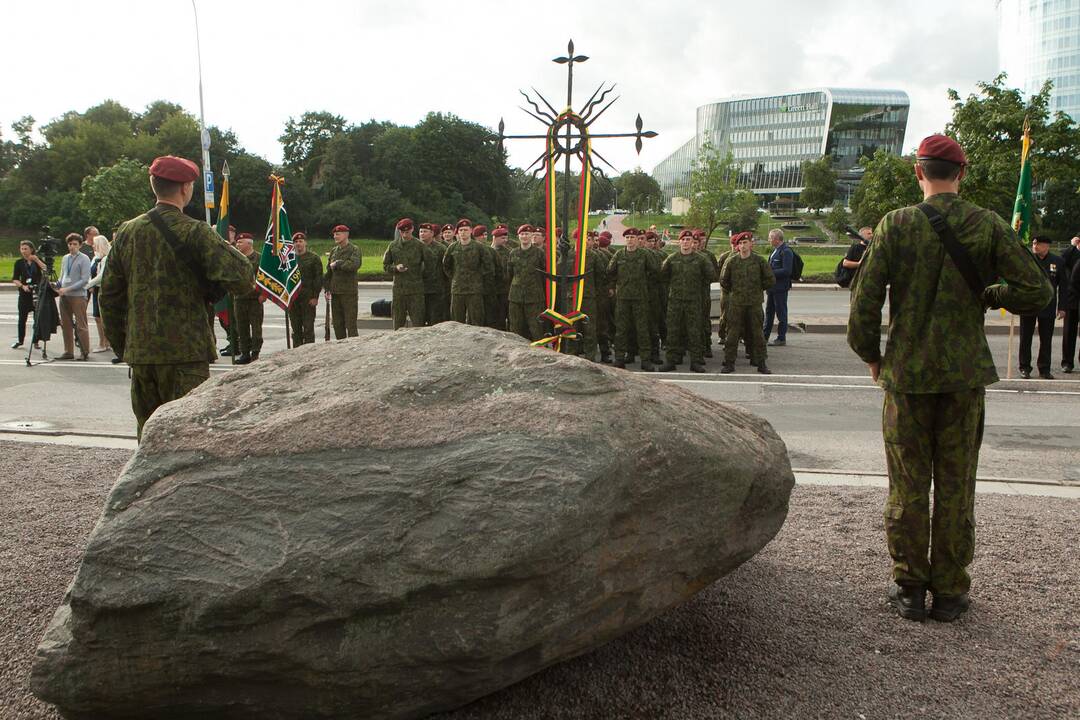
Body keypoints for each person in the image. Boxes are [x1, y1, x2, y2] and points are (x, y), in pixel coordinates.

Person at [847, 134, 1053, 623]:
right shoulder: (988, 224)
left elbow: (863, 306)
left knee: (908, 486)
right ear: (961, 174)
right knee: (958, 484)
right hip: (964, 379)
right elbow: (1037, 291)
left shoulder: (895, 225)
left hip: (907, 376)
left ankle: (911, 589)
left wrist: (873, 356)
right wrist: (991, 290)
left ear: (918, 173)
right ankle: (952, 593)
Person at [100, 155, 252, 440]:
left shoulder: (127, 232)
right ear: (186, 188)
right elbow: (243, 278)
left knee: (149, 438)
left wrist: (127, 348)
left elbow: (108, 298)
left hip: (142, 357)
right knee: (188, 438)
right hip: (186, 356)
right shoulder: (194, 231)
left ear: (152, 185)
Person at [659, 230, 713, 373]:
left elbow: (711, 275)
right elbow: (663, 276)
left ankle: (695, 362)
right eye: (683, 239)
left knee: (694, 332)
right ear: (679, 242)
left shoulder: (701, 259)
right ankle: (670, 361)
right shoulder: (671, 259)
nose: (686, 242)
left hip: (693, 301)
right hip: (675, 301)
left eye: (689, 240)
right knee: (672, 331)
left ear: (692, 242)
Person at [719, 232, 773, 374]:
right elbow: (724, 281)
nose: (743, 246)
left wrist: (757, 289)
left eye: (745, 243)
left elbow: (770, 279)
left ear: (751, 244)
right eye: (740, 243)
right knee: (732, 334)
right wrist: (735, 292)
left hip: (754, 303)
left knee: (757, 334)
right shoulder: (732, 261)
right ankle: (729, 363)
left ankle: (761, 362)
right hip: (737, 303)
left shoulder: (759, 261)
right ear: (737, 246)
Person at [608, 227, 656, 371]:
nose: (630, 240)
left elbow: (654, 271)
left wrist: (645, 285)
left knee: (642, 329)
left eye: (633, 237)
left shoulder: (644, 255)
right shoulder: (619, 255)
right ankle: (620, 358)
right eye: (628, 238)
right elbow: (610, 272)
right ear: (625, 240)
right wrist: (613, 286)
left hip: (640, 297)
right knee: (621, 329)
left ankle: (645, 359)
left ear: (637, 239)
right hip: (623, 298)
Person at [1017, 235, 1064, 379]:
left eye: (1038, 244)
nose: (1035, 246)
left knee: (1046, 339)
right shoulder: (1027, 259)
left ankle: (1044, 369)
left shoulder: (1057, 261)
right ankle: (1024, 367)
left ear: (1047, 246)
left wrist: (1062, 307)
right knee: (1025, 338)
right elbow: (1018, 280)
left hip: (1048, 306)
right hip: (1028, 304)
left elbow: (1064, 286)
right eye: (1034, 243)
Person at [382, 218, 427, 330]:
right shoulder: (393, 245)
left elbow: (429, 265)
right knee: (398, 322)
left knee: (418, 322)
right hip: (399, 290)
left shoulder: (420, 245)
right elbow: (385, 265)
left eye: (407, 232)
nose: (405, 235)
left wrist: (420, 275)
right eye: (402, 232)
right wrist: (395, 268)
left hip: (415, 290)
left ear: (412, 229)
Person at [54, 233, 92, 361]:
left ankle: (84, 351)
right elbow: (63, 275)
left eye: (75, 244)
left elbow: (85, 279)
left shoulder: (84, 258)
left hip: (78, 295)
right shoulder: (65, 258)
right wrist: (58, 285)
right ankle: (68, 351)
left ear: (80, 245)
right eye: (70, 244)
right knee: (66, 324)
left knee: (81, 324)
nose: (72, 247)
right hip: (64, 295)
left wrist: (68, 289)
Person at [443, 222, 489, 325]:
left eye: (466, 230)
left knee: (476, 319)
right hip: (457, 289)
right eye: (461, 230)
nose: (463, 232)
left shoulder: (479, 247)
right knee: (456, 320)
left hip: (474, 289)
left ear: (471, 231)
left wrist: (477, 278)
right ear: (457, 232)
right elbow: (446, 265)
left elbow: (488, 266)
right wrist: (455, 277)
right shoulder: (453, 247)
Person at [507, 224, 546, 340]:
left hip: (534, 297)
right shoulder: (513, 253)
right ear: (518, 236)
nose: (524, 236)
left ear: (531, 236)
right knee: (515, 327)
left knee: (536, 328)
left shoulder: (539, 253)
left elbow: (544, 274)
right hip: (516, 296)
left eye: (527, 234)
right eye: (522, 234)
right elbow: (509, 274)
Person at [232, 232, 265, 364]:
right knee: (241, 327)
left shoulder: (259, 258)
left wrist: (264, 294)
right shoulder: (235, 257)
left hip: (255, 299)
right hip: (239, 298)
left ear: (249, 243)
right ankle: (245, 353)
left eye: (240, 242)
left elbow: (265, 278)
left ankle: (255, 352)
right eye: (237, 242)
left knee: (256, 327)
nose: (237, 244)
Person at [324, 224, 362, 339]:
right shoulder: (334, 251)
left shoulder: (354, 249)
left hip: (349, 292)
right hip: (335, 293)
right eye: (334, 234)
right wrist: (327, 288)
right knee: (337, 324)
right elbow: (328, 271)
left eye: (338, 234)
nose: (335, 236)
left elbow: (354, 265)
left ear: (346, 235)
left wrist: (338, 263)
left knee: (350, 324)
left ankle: (354, 348)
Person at [287, 232, 323, 346]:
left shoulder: (314, 258)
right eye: (296, 242)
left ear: (305, 243)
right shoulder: (289, 259)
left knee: (308, 328)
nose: (298, 244)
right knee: (296, 329)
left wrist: (315, 297)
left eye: (300, 241)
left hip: (308, 298)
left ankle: (309, 353)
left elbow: (318, 278)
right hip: (293, 298)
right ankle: (296, 353)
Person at [11, 240, 46, 349]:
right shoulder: (19, 263)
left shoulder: (37, 260)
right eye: (22, 249)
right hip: (24, 293)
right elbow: (15, 279)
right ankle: (20, 340)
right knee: (22, 318)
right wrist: (22, 286)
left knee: (37, 318)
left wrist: (36, 260)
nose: (24, 251)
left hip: (36, 293)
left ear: (31, 249)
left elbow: (46, 269)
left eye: (26, 249)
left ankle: (36, 340)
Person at [763, 228, 794, 347]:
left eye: (770, 238)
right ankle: (764, 336)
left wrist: (770, 272)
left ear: (776, 239)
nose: (769, 240)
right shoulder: (775, 251)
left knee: (781, 313)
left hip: (780, 288)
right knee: (769, 312)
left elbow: (787, 271)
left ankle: (781, 338)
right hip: (771, 287)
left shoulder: (786, 251)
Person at [84, 235, 112, 353]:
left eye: (95, 244)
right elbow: (91, 272)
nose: (93, 246)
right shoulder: (95, 258)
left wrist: (87, 285)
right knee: (97, 317)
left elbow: (101, 276)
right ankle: (104, 341)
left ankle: (104, 342)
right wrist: (90, 284)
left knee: (102, 317)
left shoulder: (106, 258)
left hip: (103, 290)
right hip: (95, 290)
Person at [1059, 236, 1079, 373]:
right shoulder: (1071, 253)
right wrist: (1072, 246)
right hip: (1072, 298)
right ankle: (1067, 362)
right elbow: (1061, 261)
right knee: (1069, 332)